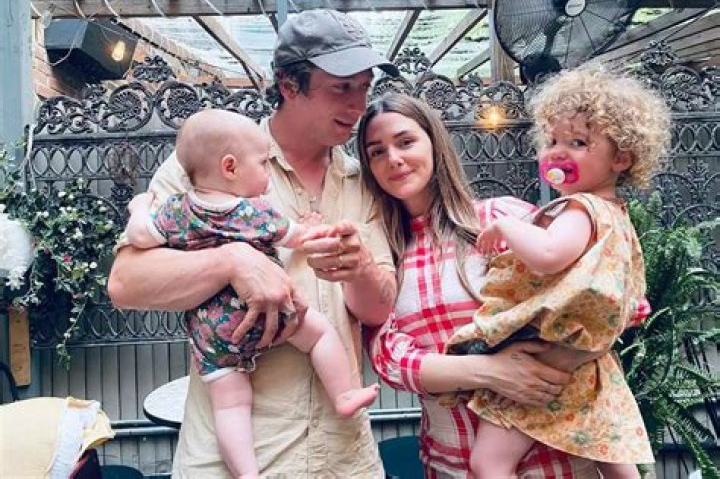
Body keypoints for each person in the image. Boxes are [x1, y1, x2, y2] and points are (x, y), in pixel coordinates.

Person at [108, 8, 400, 477]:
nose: (358, 104)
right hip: (232, 462)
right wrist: (232, 260)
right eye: (342, 88)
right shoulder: (208, 163)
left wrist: (360, 267)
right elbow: (126, 284)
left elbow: (378, 310)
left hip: (344, 458)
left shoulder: (363, 180)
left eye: (364, 87)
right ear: (289, 86)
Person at [357, 92, 654, 478]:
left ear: (434, 143)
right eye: (377, 152)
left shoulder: (503, 217)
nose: (393, 159)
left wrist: (578, 346)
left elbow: (585, 297)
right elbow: (388, 359)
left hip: (555, 461)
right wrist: (487, 370)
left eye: (406, 141)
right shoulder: (381, 256)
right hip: (452, 461)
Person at [124, 110, 380, 478]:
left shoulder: (177, 210)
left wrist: (139, 207)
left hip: (214, 333)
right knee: (321, 334)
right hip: (269, 318)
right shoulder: (251, 212)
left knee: (230, 405)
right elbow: (296, 237)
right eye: (261, 164)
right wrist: (313, 229)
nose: (266, 172)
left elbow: (140, 236)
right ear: (230, 167)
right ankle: (344, 394)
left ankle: (246, 473)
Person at [445, 64, 669, 479]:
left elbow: (549, 255)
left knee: (488, 463)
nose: (557, 151)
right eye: (551, 140)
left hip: (546, 361)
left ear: (621, 157)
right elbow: (619, 286)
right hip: (591, 365)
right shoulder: (617, 216)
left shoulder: (581, 209)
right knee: (614, 459)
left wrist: (506, 227)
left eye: (578, 142)